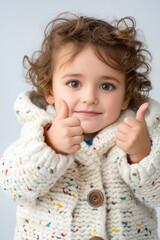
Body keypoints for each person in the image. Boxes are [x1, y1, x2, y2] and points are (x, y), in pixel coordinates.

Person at [1, 12, 160, 240]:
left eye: (106, 86)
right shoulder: (37, 136)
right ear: (50, 90)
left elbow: (156, 196)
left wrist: (143, 154)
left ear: (126, 95)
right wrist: (50, 147)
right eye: (74, 83)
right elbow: (13, 187)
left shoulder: (141, 135)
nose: (89, 97)